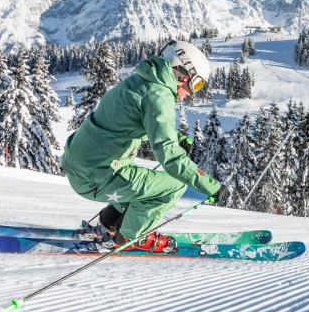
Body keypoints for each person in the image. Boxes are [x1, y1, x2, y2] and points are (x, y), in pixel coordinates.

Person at [61, 40, 228, 252]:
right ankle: (132, 236)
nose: (191, 93)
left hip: (80, 166)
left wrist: (174, 138)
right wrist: (212, 186)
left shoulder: (139, 82)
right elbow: (170, 156)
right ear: (183, 74)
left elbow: (133, 121)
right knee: (174, 185)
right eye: (196, 85)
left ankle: (110, 222)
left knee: (142, 181)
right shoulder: (158, 94)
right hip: (96, 177)